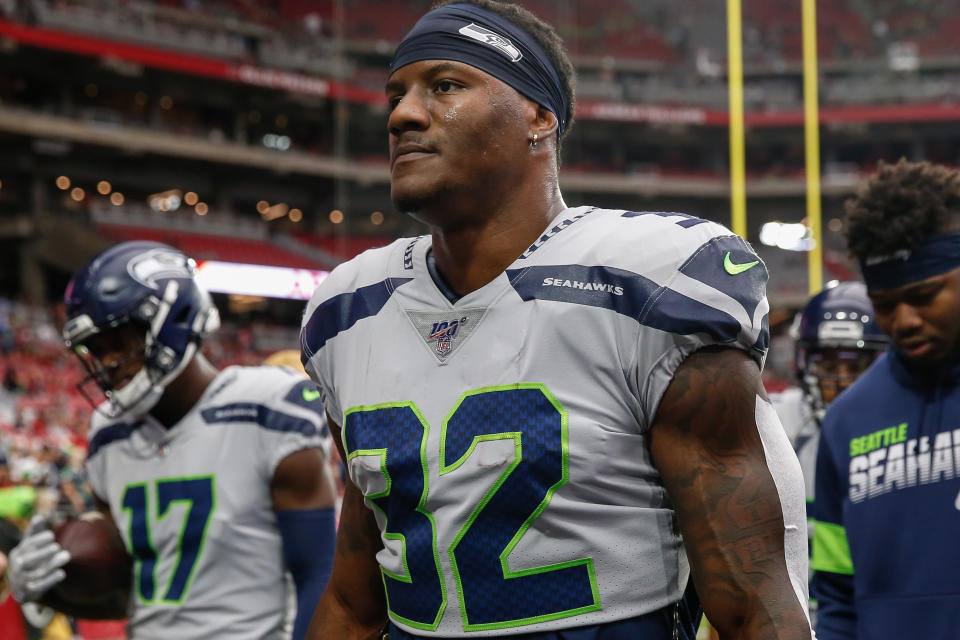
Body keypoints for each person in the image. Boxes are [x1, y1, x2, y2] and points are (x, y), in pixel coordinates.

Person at [299, 2, 812, 638]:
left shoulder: (647, 284)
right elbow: (354, 600)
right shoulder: (347, 311)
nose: (402, 114)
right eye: (396, 94)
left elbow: (755, 600)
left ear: (540, 117)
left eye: (446, 86)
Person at [6, 241, 337, 640]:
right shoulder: (107, 435)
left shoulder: (266, 406)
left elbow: (318, 573)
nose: (108, 362)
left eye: (120, 340)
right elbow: (131, 588)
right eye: (96, 349)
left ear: (174, 320)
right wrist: (51, 586)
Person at [811, 159, 960, 639]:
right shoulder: (847, 421)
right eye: (885, 304)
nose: (904, 321)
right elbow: (836, 595)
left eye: (924, 295)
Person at [771, 281, 887, 623]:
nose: (841, 381)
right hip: (790, 618)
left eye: (856, 365)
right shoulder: (775, 421)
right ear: (804, 362)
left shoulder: (904, 426)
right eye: (828, 365)